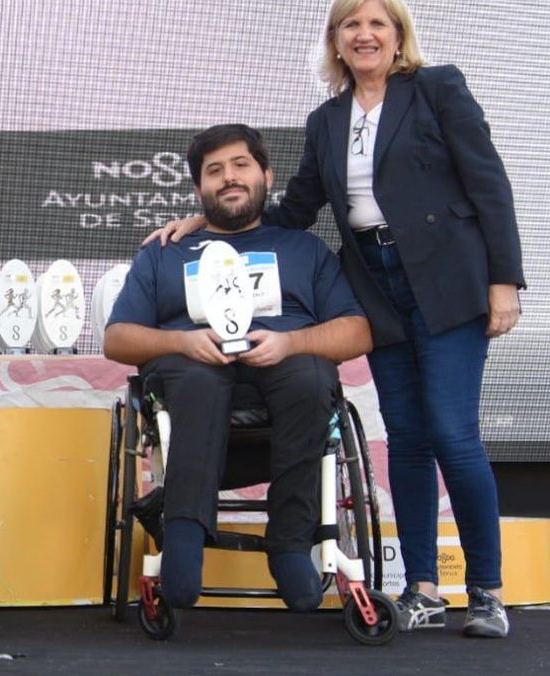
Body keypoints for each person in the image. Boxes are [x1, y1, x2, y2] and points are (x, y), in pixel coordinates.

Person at [150, 0, 523, 637]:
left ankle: (487, 591)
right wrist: (206, 221)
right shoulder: (327, 120)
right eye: (350, 25)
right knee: (407, 439)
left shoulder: (438, 88)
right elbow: (295, 209)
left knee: (451, 432)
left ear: (398, 34)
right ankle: (423, 588)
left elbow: (488, 182)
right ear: (336, 42)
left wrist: (504, 281)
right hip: (377, 288)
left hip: (448, 282)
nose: (364, 35)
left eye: (376, 23)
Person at [107, 124, 372, 613]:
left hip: (285, 369)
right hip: (191, 374)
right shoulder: (164, 252)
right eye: (214, 171)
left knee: (311, 375)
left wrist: (291, 342)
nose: (228, 177)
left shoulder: (304, 248)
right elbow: (117, 338)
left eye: (240, 165)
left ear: (266, 177)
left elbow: (357, 332)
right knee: (197, 379)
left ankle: (290, 543)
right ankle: (184, 538)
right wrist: (182, 341)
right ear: (199, 189)